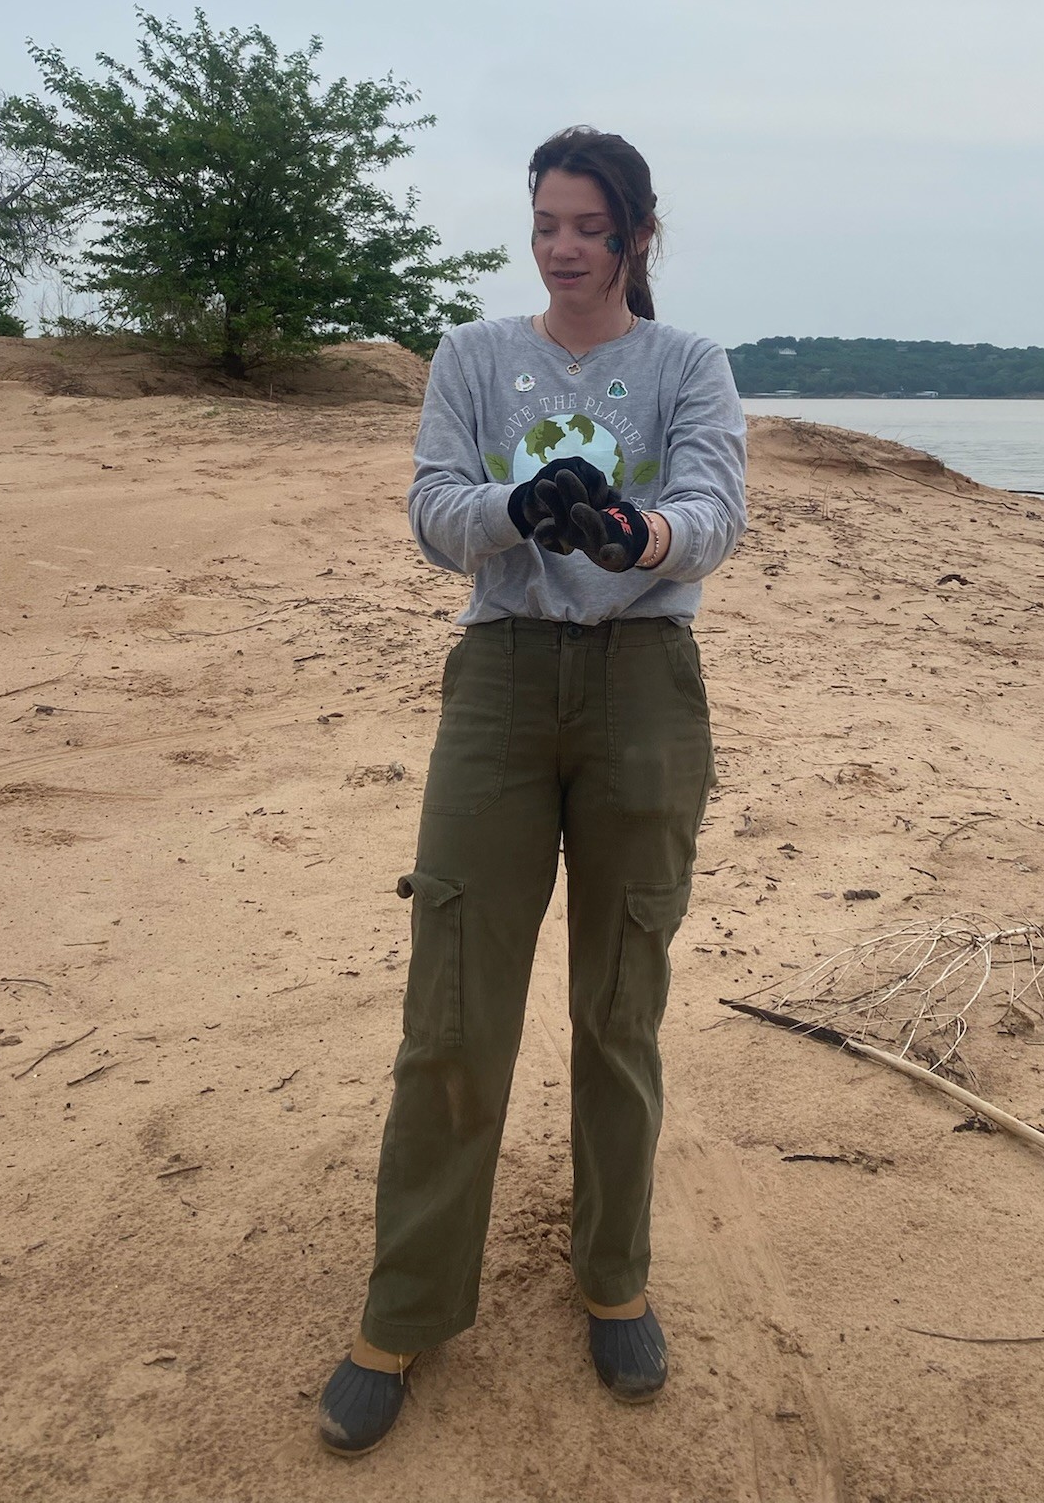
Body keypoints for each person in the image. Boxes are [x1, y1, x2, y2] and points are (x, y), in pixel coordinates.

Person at [317, 126, 747, 1456]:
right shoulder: (470, 357)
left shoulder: (687, 364)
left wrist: (641, 531)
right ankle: (406, 1305)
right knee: (454, 1001)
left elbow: (715, 508)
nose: (565, 247)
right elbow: (433, 506)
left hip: (642, 686)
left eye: (591, 226)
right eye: (548, 222)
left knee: (621, 999)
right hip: (500, 685)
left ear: (636, 237)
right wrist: (519, 507)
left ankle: (613, 1275)